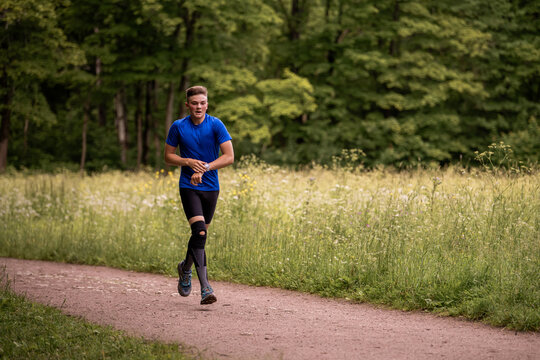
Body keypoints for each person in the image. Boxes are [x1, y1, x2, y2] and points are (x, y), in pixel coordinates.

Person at [164, 85, 234, 305]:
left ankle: (185, 268)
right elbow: (168, 156)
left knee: (199, 236)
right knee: (200, 233)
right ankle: (205, 288)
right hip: (188, 186)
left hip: (211, 187)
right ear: (187, 105)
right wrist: (187, 162)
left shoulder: (216, 124)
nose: (198, 107)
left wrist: (205, 168)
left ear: (207, 104)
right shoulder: (178, 127)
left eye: (202, 103)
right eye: (194, 103)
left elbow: (229, 156)